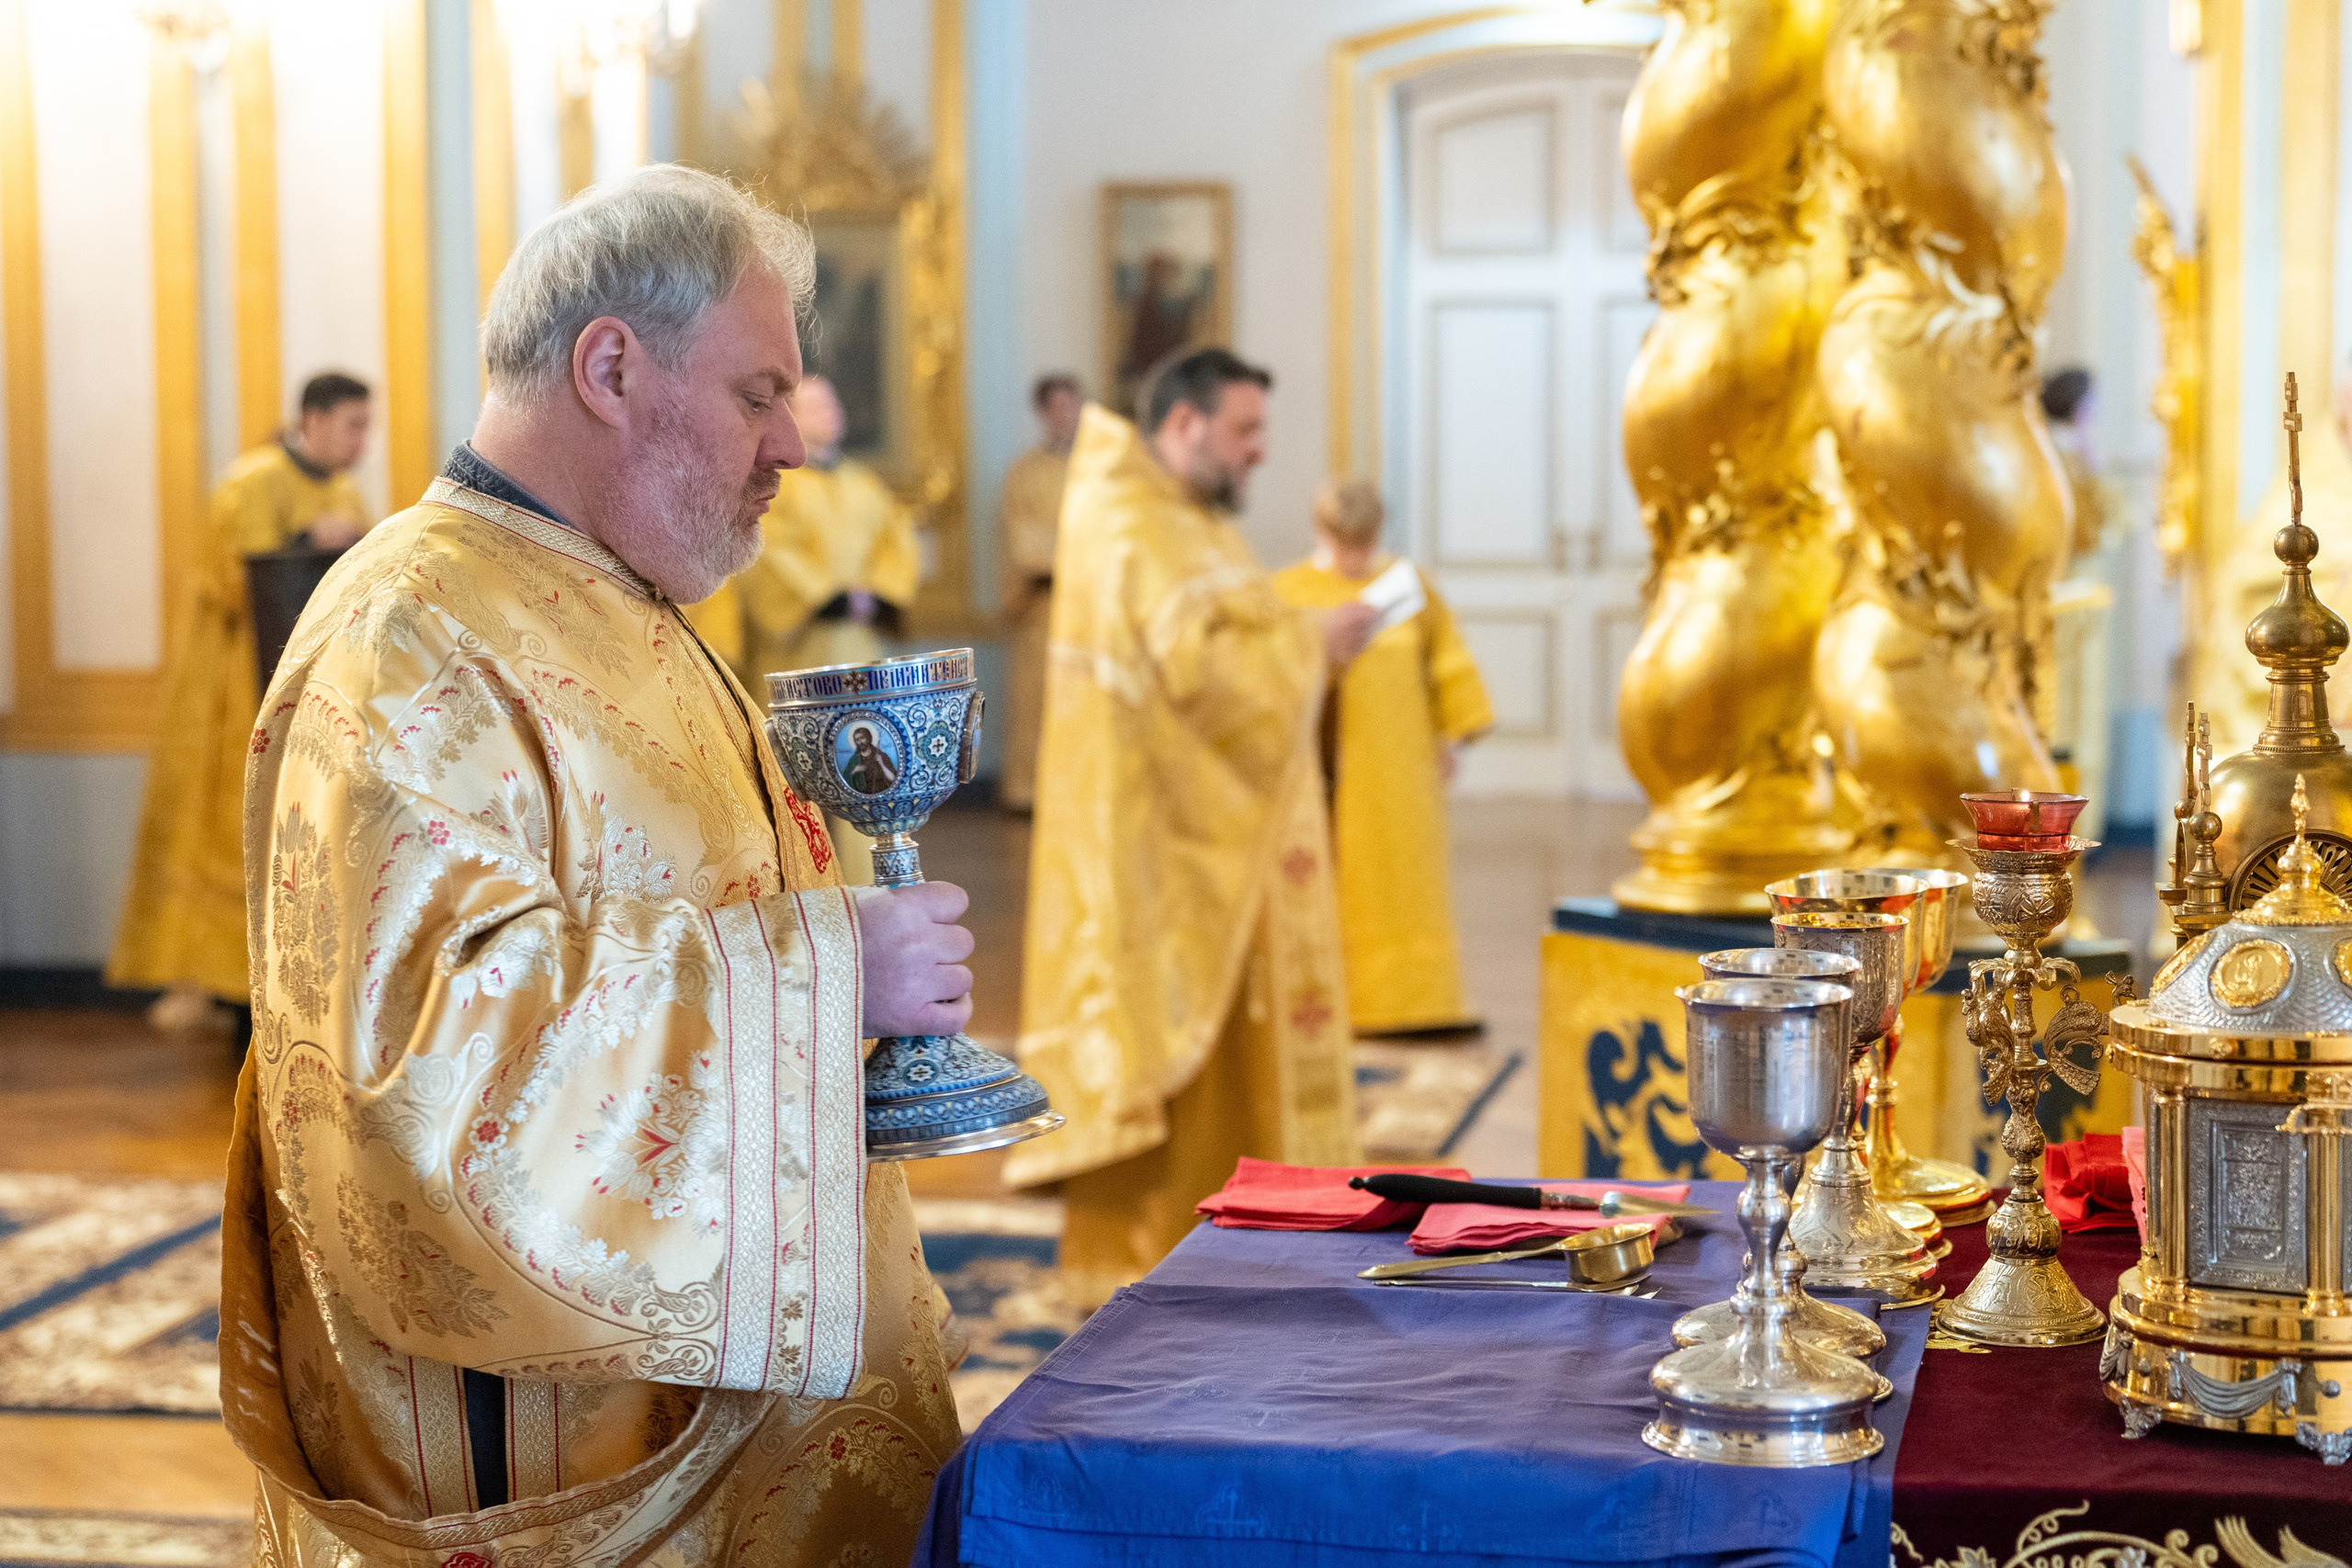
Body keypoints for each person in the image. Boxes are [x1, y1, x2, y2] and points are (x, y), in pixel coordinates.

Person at [224, 166, 973, 1563]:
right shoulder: (410, 633)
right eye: (759, 394)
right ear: (612, 365)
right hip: (587, 1490)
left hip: (751, 1446)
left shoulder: (621, 595)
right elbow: (424, 1082)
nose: (793, 446)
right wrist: (825, 971)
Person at [1006, 346, 1378, 1307]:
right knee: (1187, 1066)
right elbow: (1208, 684)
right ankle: (1165, 1278)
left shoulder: (1175, 518)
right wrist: (1313, 643)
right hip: (1166, 851)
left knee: (1230, 1061)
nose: (1259, 453)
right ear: (1184, 424)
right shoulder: (1134, 522)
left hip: (1206, 834)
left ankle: (1247, 1259)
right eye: (1245, 430)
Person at [107, 371, 373, 1036]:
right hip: (233, 690)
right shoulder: (251, 483)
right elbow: (236, 582)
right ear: (311, 420)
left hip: (310, 685)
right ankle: (229, 994)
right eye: (352, 424)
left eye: (367, 425)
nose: (362, 440)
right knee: (232, 830)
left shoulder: (342, 489)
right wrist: (309, 546)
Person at [1273, 479, 1493, 1034]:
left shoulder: (1410, 586)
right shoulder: (1289, 590)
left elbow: (1445, 659)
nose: (1355, 557)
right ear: (1320, 532)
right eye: (1344, 544)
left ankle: (1419, 1002)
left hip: (1401, 767)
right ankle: (1338, 1007)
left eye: (1364, 544)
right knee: (1335, 883)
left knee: (1405, 877)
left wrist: (1449, 737)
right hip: (1322, 772)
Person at [733, 373, 920, 679]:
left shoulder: (866, 484)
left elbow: (897, 543)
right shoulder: (776, 486)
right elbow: (768, 549)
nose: (832, 412)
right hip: (801, 646)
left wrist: (878, 594)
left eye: (833, 404)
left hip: (860, 641)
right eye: (818, 406)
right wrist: (827, 598)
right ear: (791, 417)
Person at [996, 372, 1081, 811]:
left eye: (1072, 405)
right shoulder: (1024, 475)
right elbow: (1021, 540)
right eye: (1056, 407)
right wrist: (1064, 557)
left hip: (1088, 607)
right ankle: (1029, 793)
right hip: (1041, 605)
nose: (1065, 415)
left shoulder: (1098, 472)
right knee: (1037, 702)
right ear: (1044, 412)